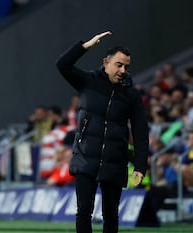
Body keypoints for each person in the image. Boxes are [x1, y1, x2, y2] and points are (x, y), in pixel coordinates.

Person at [56, 31, 149, 233]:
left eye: (127, 66)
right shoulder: (88, 81)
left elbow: (141, 132)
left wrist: (140, 166)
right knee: (84, 212)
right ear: (106, 62)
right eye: (119, 64)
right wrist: (84, 46)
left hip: (115, 161)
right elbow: (62, 65)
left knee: (110, 215)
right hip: (85, 157)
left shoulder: (131, 95)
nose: (123, 70)